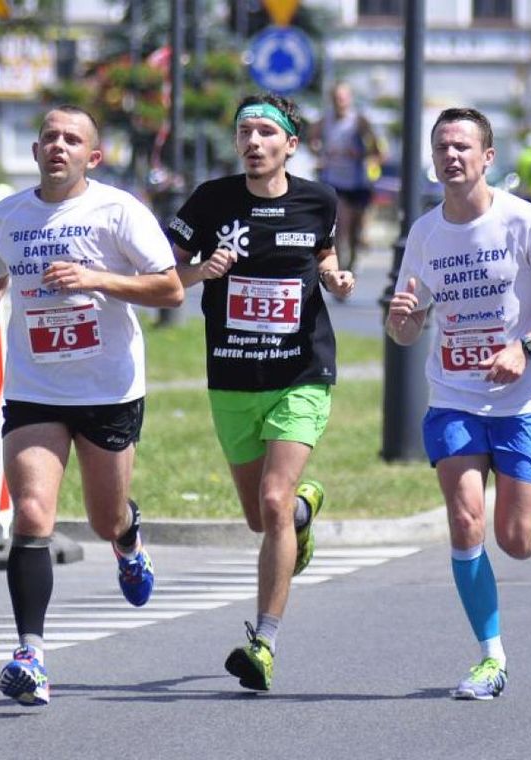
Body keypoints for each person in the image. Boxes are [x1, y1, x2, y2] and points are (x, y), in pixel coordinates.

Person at [0, 105, 185, 706]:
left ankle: (128, 541)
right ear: (34, 151)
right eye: (49, 136)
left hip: (107, 389)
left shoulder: (118, 211)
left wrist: (97, 279)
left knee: (104, 519)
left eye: (71, 139)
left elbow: (171, 287)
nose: (58, 146)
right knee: (30, 513)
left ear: (92, 157)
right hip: (35, 387)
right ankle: (31, 654)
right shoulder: (9, 215)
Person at [385, 107, 531, 700]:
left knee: (517, 541)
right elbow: (407, 329)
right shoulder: (424, 234)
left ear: (487, 158)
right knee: (464, 518)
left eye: (462, 147)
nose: (451, 157)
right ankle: (490, 658)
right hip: (453, 397)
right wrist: (403, 321)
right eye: (442, 147)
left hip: (522, 400)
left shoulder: (524, 223)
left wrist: (525, 347)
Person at [167, 93, 355, 692]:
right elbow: (163, 276)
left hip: (301, 372)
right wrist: (201, 272)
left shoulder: (318, 200)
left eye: (265, 133)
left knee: (271, 502)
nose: (253, 142)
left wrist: (334, 274)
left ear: (289, 146)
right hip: (232, 376)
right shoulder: (210, 202)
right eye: (244, 131)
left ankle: (263, 643)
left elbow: (323, 250)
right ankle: (305, 509)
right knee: (262, 517)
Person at [307, 81, 383, 273]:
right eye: (336, 97)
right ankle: (340, 268)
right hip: (334, 181)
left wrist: (359, 154)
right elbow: (311, 141)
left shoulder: (359, 121)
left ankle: (352, 260)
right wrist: (318, 151)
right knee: (341, 224)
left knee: (354, 232)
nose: (340, 101)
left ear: (350, 99)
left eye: (343, 97)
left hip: (357, 182)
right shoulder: (325, 120)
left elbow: (376, 150)